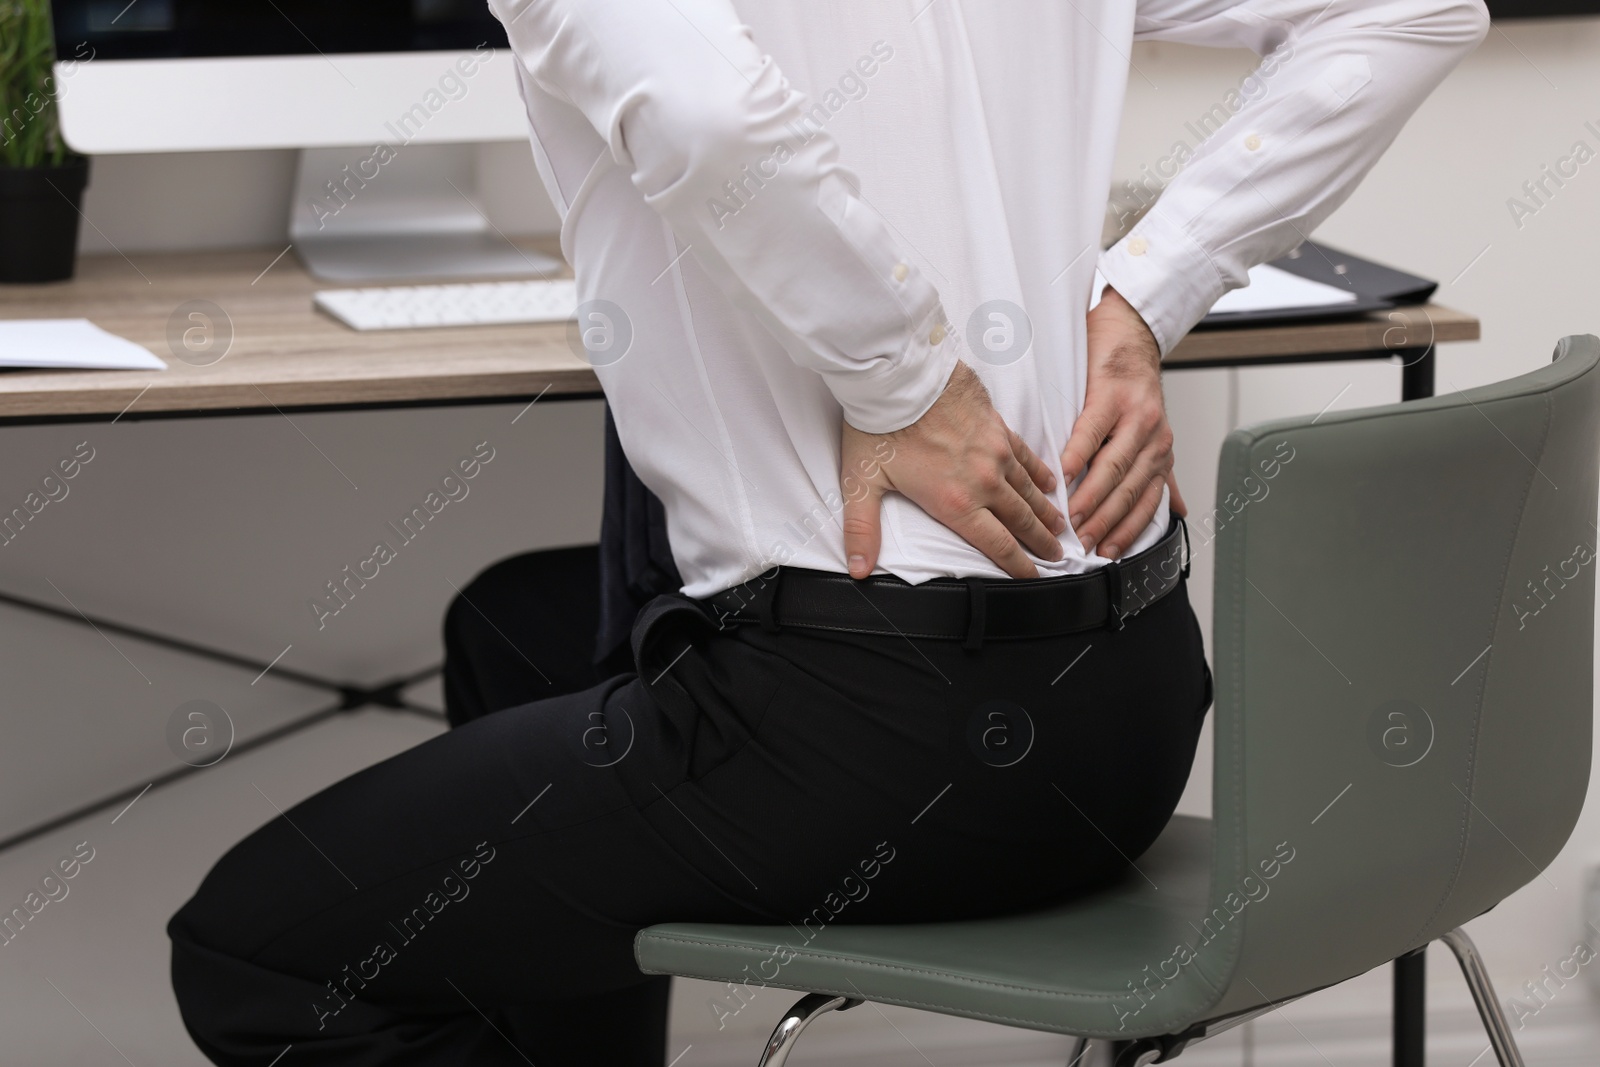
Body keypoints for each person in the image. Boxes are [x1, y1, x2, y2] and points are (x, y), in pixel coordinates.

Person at [167, 2, 1490, 1064]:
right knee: (524, 635)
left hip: (876, 739)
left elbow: (699, 106)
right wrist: (1144, 297)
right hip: (1129, 716)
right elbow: (1413, 10)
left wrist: (902, 379)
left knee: (256, 955)